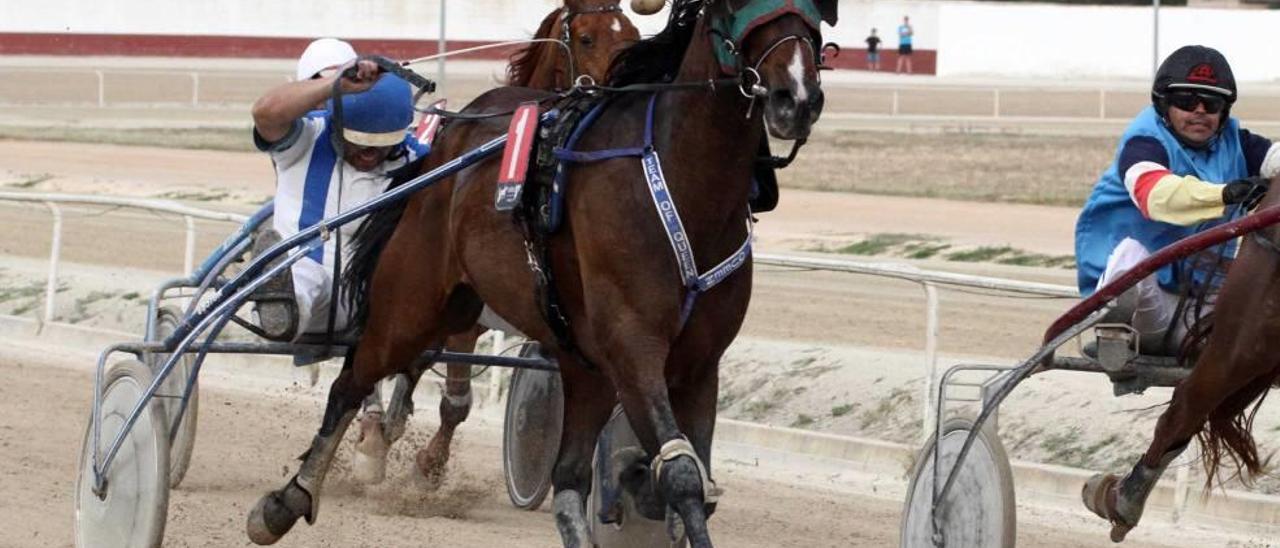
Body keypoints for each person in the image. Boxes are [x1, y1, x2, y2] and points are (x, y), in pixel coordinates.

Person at [1075, 45, 1280, 354]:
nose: (1199, 110)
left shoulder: (1237, 142)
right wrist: (1226, 193)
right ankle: (1115, 335)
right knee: (1128, 256)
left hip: (1203, 303)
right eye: (1186, 101)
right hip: (1144, 306)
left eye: (1211, 103)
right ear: (1164, 105)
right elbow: (1158, 197)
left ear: (1223, 111)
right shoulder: (1143, 144)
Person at [249, 58, 428, 341]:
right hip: (303, 283)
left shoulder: (418, 160)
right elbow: (265, 114)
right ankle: (282, 304)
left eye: (381, 145)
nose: (369, 153)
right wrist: (335, 84)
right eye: (359, 140)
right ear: (337, 125)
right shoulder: (308, 136)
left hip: (372, 302)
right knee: (303, 268)